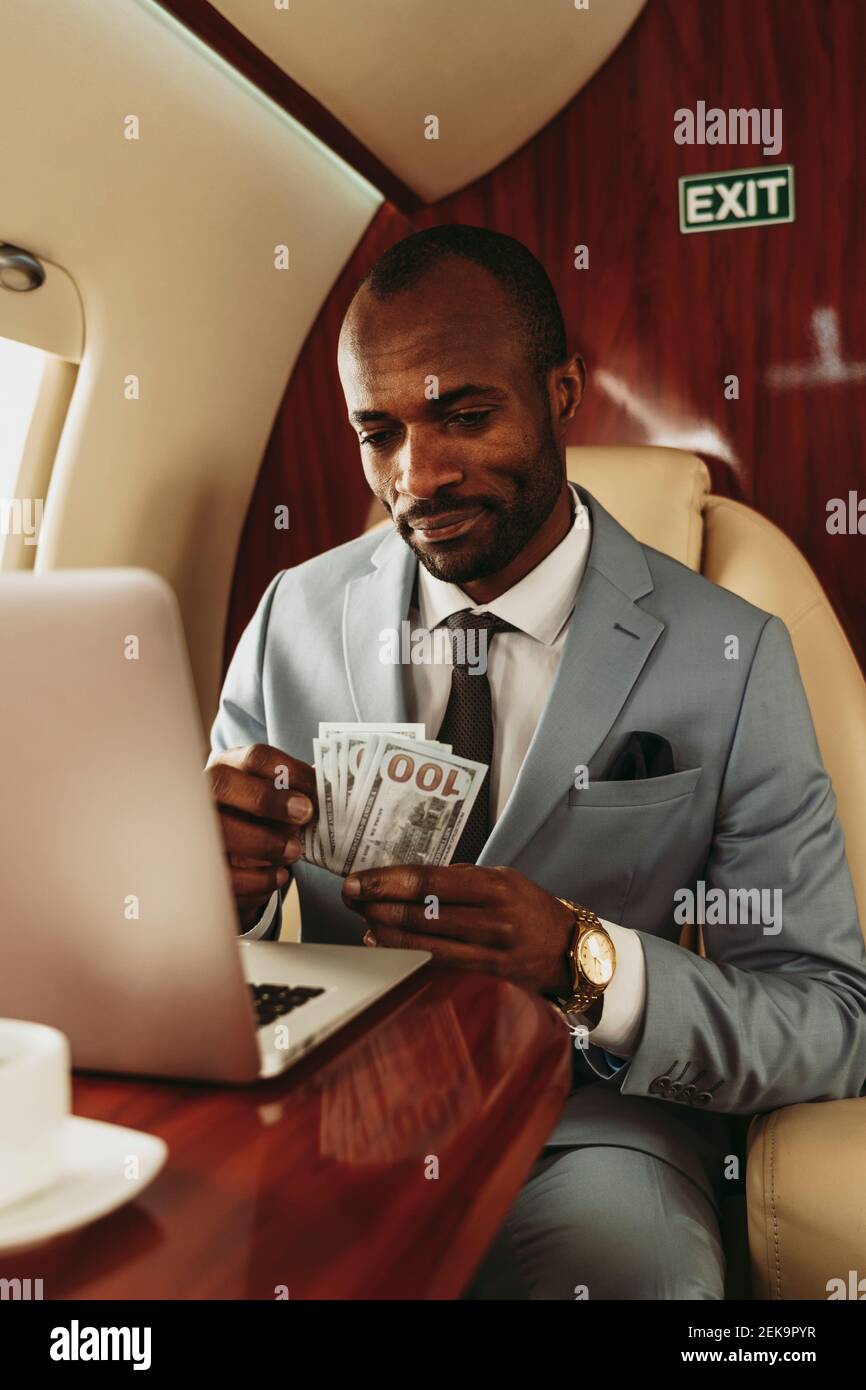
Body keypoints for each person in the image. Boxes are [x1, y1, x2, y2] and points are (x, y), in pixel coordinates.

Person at [207, 224, 866, 1299]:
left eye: (464, 415)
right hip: (330, 1120)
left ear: (562, 392)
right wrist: (208, 883)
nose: (417, 475)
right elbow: (198, 944)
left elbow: (829, 1019)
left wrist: (583, 962)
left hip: (587, 1140)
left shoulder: (731, 656)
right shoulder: (292, 616)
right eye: (378, 432)